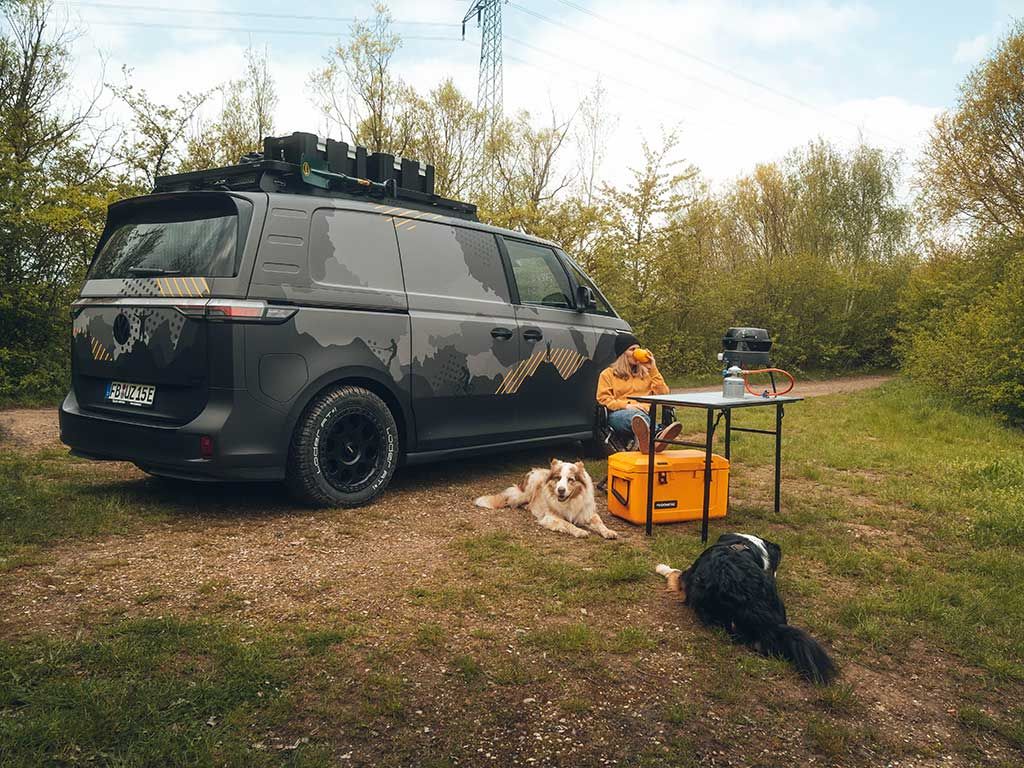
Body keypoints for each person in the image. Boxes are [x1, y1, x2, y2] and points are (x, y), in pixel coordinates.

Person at [597, 333, 682, 454]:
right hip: (619, 415)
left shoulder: (647, 374)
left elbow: (664, 394)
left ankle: (646, 441)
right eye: (632, 349)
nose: (636, 352)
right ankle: (658, 433)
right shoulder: (608, 374)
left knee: (639, 417)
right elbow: (603, 399)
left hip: (644, 415)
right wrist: (627, 405)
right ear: (622, 353)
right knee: (635, 416)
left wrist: (653, 369)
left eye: (638, 349)